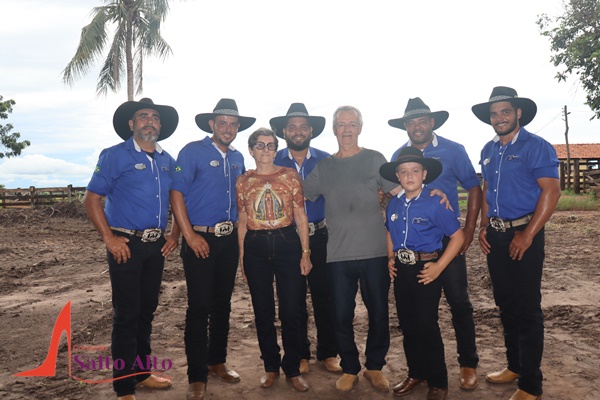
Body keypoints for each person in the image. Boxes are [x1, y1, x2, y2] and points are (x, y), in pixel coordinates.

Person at [83, 98, 180, 400]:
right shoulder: (115, 156)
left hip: (156, 246)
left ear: (160, 125)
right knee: (126, 315)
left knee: (147, 311)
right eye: (142, 117)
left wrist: (174, 234)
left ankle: (142, 373)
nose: (149, 121)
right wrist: (109, 239)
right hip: (126, 245)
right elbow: (91, 199)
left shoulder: (167, 160)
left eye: (154, 117)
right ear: (131, 124)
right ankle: (124, 386)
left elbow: (178, 199)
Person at [389, 97, 482, 393]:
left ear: (432, 123)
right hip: (412, 241)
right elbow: (393, 191)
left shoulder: (453, 150)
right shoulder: (400, 155)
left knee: (458, 301)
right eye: (410, 122)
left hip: (447, 235)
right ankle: (418, 371)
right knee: (415, 314)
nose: (416, 127)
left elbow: (473, 187)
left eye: (421, 121)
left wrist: (468, 228)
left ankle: (468, 362)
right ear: (405, 126)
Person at [473, 86, 560, 400]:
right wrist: (484, 225)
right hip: (495, 236)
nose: (499, 118)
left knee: (527, 309)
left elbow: (551, 192)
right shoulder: (488, 149)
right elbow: (486, 191)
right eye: (494, 114)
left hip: (525, 233)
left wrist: (528, 234)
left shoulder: (536, 147)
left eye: (505, 112)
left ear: (518, 113)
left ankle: (531, 386)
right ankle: (514, 365)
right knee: (506, 304)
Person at [302, 105, 397, 393]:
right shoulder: (324, 167)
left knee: (378, 312)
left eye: (352, 124)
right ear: (334, 130)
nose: (346, 129)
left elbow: (399, 192)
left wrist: (433, 193)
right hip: (338, 254)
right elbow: (298, 193)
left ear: (360, 128)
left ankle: (375, 366)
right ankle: (351, 367)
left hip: (375, 251)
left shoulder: (375, 159)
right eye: (341, 124)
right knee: (341, 314)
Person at [169, 98, 255, 400]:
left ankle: (217, 361)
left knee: (223, 304)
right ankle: (196, 375)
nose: (228, 128)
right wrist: (188, 236)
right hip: (200, 240)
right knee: (199, 307)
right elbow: (176, 194)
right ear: (212, 125)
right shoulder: (192, 152)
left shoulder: (237, 158)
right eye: (223, 123)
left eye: (233, 124)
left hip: (228, 240)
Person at [382, 146, 465, 400]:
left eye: (415, 171)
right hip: (402, 271)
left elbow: (457, 237)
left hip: (426, 270)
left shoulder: (435, 202)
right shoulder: (393, 204)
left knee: (427, 325)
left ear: (424, 174)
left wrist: (439, 266)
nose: (409, 176)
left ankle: (438, 381)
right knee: (408, 324)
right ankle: (416, 372)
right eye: (404, 171)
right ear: (397, 176)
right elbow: (388, 231)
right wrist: (390, 257)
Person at [236, 128, 312, 393]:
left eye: (270, 145)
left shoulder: (290, 176)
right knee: (263, 311)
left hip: (287, 244)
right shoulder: (243, 181)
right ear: (251, 150)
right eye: (260, 145)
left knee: (291, 310)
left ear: (276, 149)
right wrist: (242, 257)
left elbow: (301, 215)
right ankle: (270, 366)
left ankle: (292, 368)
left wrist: (305, 253)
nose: (265, 150)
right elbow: (243, 220)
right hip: (256, 246)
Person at [270, 103, 341, 374]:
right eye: (292, 127)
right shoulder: (275, 162)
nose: (297, 132)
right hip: (287, 238)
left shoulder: (326, 160)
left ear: (311, 130)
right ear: (284, 131)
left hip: (321, 236)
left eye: (302, 127)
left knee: (326, 296)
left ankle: (328, 352)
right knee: (292, 299)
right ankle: (299, 353)